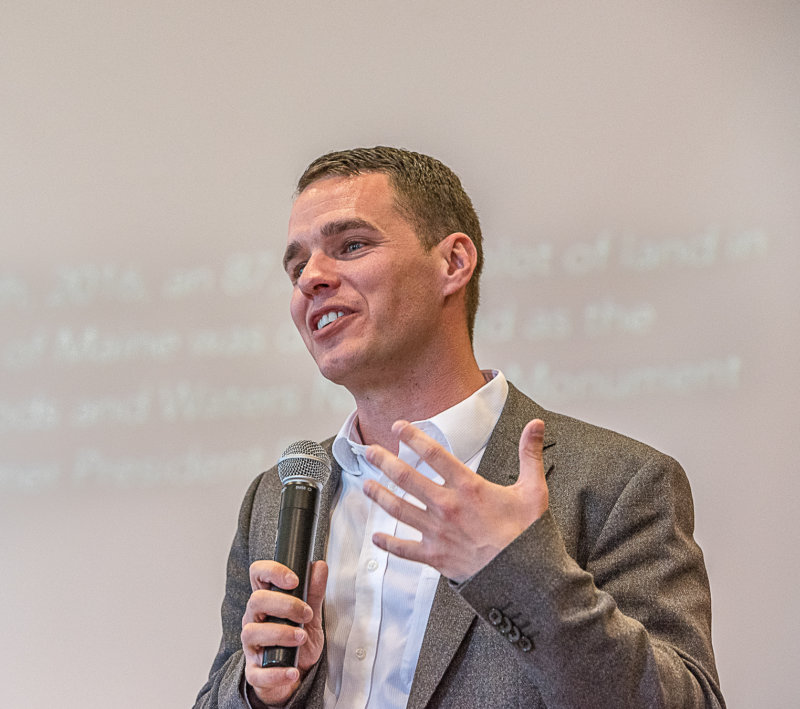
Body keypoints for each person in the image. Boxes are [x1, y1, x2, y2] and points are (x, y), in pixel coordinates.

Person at [194, 147, 722, 708]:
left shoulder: (617, 483)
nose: (311, 279)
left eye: (351, 246)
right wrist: (261, 694)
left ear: (452, 263)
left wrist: (517, 573)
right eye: (297, 267)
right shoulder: (277, 497)